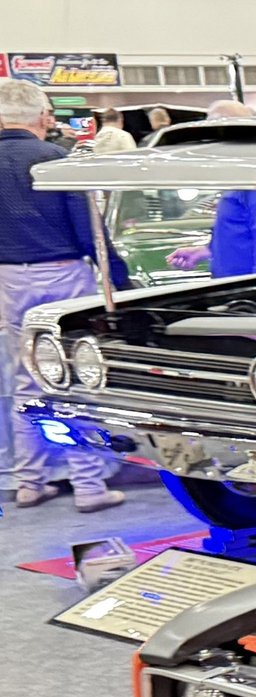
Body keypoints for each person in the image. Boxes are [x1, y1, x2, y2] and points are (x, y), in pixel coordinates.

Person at [0, 78, 128, 511]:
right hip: (64, 277)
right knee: (72, 377)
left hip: (7, 280)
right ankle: (89, 486)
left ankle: (29, 483)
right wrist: (120, 282)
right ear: (42, 117)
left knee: (24, 380)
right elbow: (91, 232)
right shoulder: (57, 160)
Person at [167, 101, 256, 277]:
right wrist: (207, 250)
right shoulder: (241, 173)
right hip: (236, 284)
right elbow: (241, 230)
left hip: (251, 288)